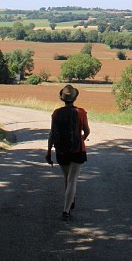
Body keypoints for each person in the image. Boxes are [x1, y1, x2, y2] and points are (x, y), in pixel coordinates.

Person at [46, 84, 90, 221]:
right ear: (75, 98)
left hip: (61, 151)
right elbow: (87, 131)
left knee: (67, 178)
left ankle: (70, 203)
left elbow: (52, 134)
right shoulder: (81, 112)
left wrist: (48, 152)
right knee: (73, 179)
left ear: (62, 99)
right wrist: (81, 139)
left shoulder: (56, 113)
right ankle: (66, 211)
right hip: (78, 151)